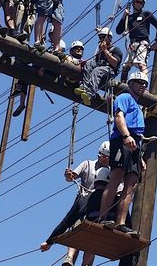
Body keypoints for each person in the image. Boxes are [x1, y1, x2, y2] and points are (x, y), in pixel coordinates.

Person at [40, 141, 111, 266]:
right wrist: (69, 175)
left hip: (98, 209)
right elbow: (71, 177)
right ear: (100, 155)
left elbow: (65, 222)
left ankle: (85, 263)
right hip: (85, 202)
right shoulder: (88, 164)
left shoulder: (111, 171)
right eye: (104, 157)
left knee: (91, 237)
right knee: (78, 228)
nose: (106, 160)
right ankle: (70, 258)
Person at [96, 71, 150, 236]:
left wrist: (139, 156)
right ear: (131, 83)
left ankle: (120, 223)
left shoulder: (138, 106)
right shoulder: (125, 97)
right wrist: (126, 136)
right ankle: (102, 218)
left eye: (144, 84)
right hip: (122, 138)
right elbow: (119, 117)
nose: (143, 86)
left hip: (135, 143)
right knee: (117, 176)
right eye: (139, 82)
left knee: (131, 183)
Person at [115, 0, 157, 79]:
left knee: (141, 64)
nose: (139, 4)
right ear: (133, 3)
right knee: (125, 67)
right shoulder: (129, 18)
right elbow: (118, 31)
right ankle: (122, 87)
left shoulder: (145, 14)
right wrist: (124, 16)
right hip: (132, 45)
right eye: (137, 2)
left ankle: (144, 83)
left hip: (142, 43)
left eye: (141, 2)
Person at [74, 28, 124, 105]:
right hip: (100, 68)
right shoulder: (99, 52)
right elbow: (95, 62)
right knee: (89, 64)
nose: (101, 39)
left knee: (97, 70)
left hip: (110, 71)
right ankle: (84, 86)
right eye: (100, 37)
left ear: (109, 38)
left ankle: (90, 93)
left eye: (103, 37)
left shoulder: (116, 50)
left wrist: (105, 50)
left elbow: (114, 64)